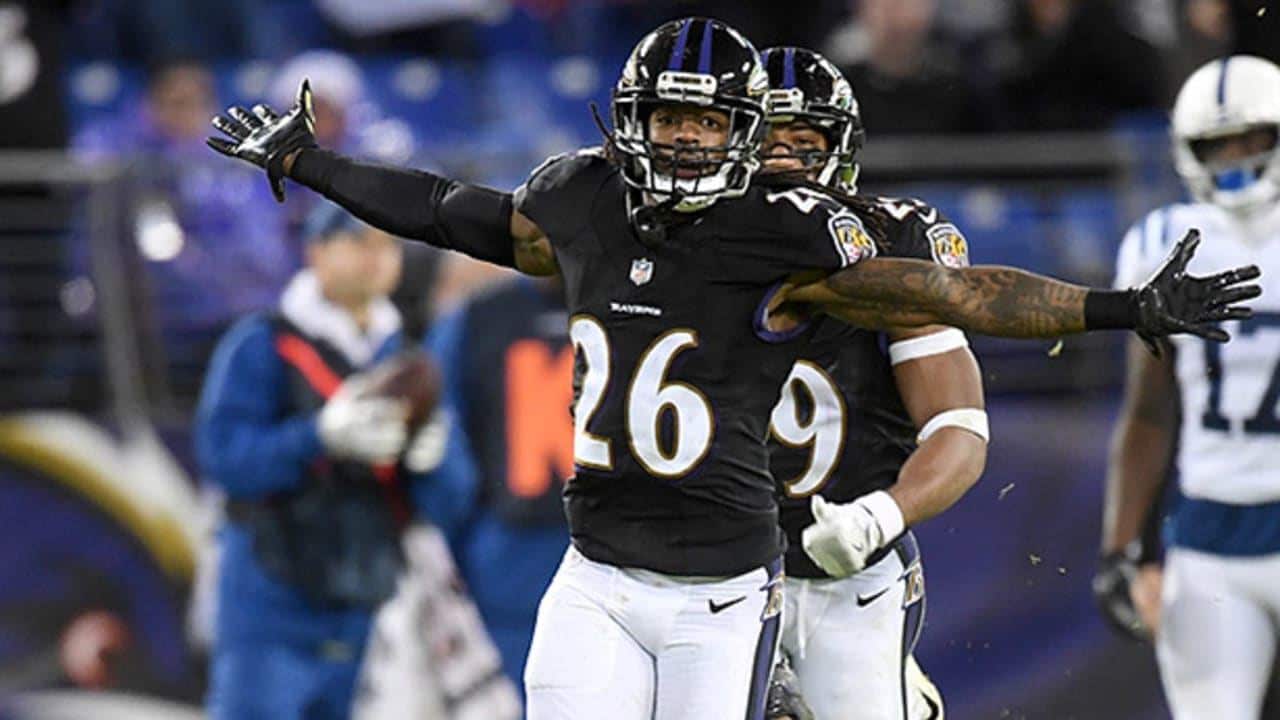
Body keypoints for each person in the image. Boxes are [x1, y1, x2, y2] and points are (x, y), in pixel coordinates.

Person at [207, 18, 1257, 718]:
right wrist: (305, 161)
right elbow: (446, 210)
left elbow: (956, 295)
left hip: (738, 578)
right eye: (670, 116)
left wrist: (1120, 306)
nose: (689, 138)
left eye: (709, 120)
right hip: (599, 566)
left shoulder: (795, 237)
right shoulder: (581, 202)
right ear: (631, 117)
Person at [759, 45, 975, 720]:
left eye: (803, 142)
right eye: (765, 139)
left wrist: (876, 516)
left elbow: (960, 427)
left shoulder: (892, 244)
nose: (783, 161)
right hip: (708, 568)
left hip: (846, 576)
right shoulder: (673, 248)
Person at [194, 205, 472, 720]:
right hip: (270, 598)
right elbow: (225, 459)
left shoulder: (409, 361)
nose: (376, 257)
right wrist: (317, 437)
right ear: (316, 251)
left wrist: (431, 457)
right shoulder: (263, 345)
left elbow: (450, 500)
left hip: (358, 598)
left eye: (387, 244)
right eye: (359, 241)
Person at [1096, 55, 1280, 720]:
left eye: (1252, 138)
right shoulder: (1162, 242)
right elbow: (1148, 412)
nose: (1234, 157)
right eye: (1217, 144)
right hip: (1210, 532)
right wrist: (1121, 549)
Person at [426, 275, 573, 695]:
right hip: (556, 555)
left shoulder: (477, 317)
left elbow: (446, 464)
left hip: (509, 558)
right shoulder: (641, 306)